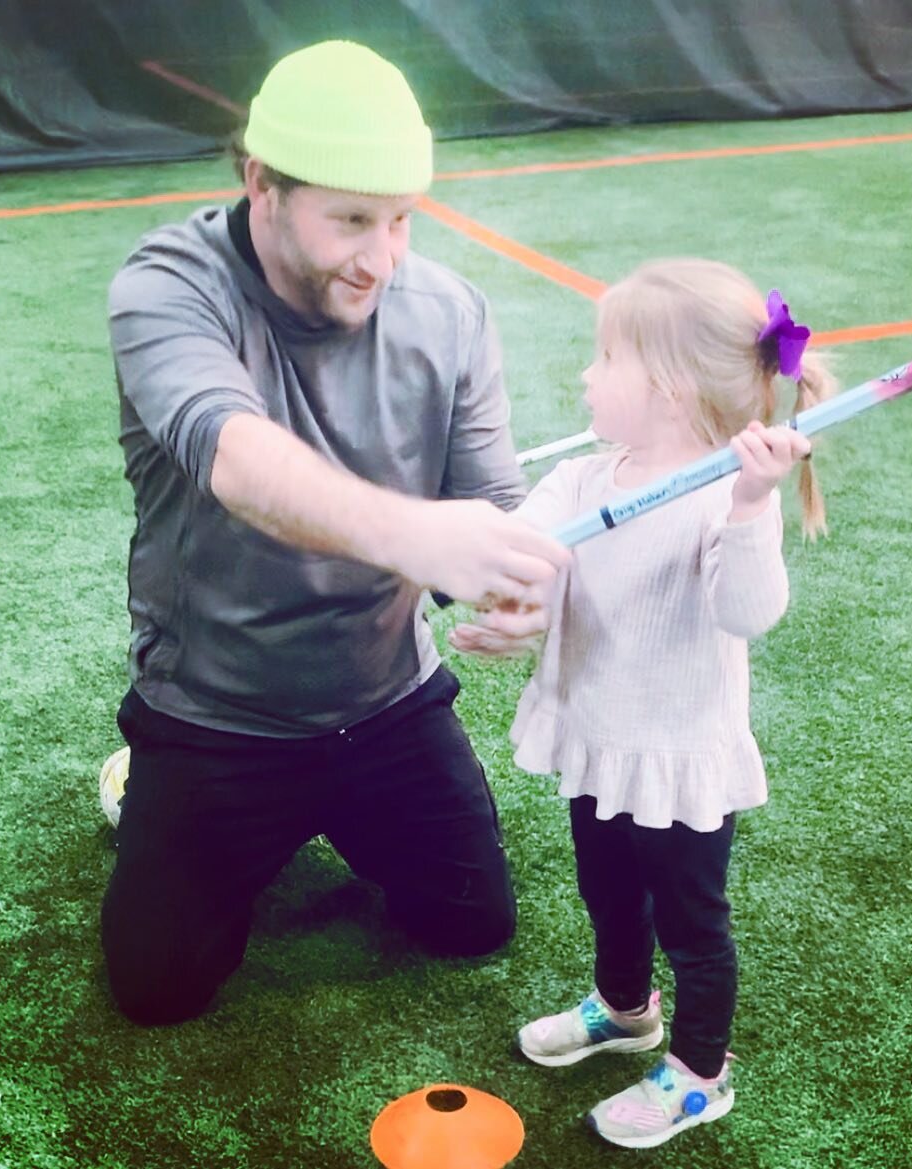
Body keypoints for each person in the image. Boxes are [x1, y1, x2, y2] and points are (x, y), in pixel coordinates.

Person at [99, 39, 568, 1027]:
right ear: (260, 182)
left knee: (470, 926)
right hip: (215, 717)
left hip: (385, 703)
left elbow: (493, 503)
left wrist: (515, 586)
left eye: (400, 219)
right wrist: (414, 537)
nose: (382, 258)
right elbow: (236, 461)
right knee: (157, 991)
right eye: (351, 219)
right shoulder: (165, 289)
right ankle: (140, 783)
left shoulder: (448, 313)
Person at [450, 258, 835, 1148]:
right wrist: (506, 596)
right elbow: (528, 549)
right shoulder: (587, 481)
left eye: (604, 357)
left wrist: (748, 505)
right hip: (598, 740)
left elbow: (750, 610)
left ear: (664, 388)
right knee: (608, 892)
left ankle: (702, 1073)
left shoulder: (723, 498)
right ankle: (625, 1010)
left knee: (693, 924)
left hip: (677, 757)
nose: (586, 374)